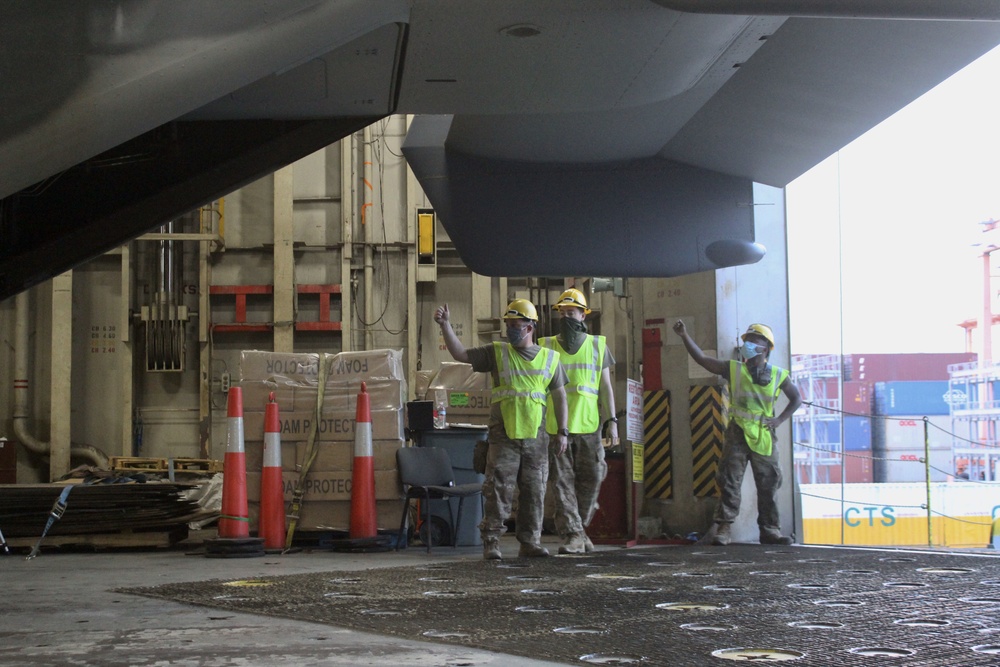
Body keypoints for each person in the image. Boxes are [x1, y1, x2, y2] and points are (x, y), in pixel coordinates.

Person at [435, 299, 570, 560]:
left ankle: (530, 542)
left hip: (536, 437)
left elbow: (560, 397)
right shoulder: (497, 352)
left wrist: (562, 431)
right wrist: (445, 325)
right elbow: (460, 355)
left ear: (530, 327)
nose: (510, 330)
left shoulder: (550, 359)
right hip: (503, 435)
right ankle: (492, 542)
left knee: (534, 491)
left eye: (515, 325)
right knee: (498, 490)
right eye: (508, 325)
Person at [673, 320, 802, 546]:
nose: (748, 345)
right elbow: (703, 361)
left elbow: (796, 398)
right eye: (747, 341)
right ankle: (724, 528)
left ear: (767, 348)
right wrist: (684, 335)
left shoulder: (779, 375)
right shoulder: (734, 369)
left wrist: (780, 419)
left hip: (764, 435)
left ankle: (770, 530)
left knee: (769, 483)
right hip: (738, 433)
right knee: (729, 481)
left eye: (754, 341)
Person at [539, 288, 619, 554]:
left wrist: (612, 420)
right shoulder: (546, 345)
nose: (566, 317)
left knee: (593, 477)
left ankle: (579, 528)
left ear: (584, 315)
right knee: (562, 483)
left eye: (571, 312)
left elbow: (606, 386)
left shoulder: (598, 346)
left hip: (588, 426)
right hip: (556, 428)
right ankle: (573, 535)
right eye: (562, 313)